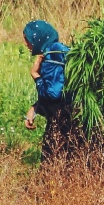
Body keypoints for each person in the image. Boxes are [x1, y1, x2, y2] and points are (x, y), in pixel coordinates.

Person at [21, 19, 77, 160]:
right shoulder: (58, 50)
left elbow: (53, 93)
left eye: (26, 39)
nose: (25, 43)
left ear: (37, 38)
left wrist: (36, 76)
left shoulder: (53, 55)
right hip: (68, 118)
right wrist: (35, 108)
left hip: (63, 121)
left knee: (53, 162)